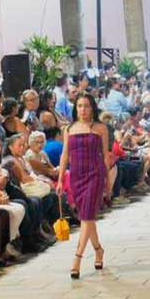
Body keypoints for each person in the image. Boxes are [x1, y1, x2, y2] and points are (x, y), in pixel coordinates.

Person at [55, 93, 109, 280]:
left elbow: (106, 155)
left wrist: (108, 181)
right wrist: (60, 180)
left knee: (86, 215)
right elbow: (65, 155)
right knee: (87, 216)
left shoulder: (101, 128)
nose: (83, 109)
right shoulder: (69, 129)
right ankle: (98, 250)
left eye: (86, 105)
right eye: (79, 106)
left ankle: (77, 258)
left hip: (95, 173)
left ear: (92, 108)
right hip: (76, 175)